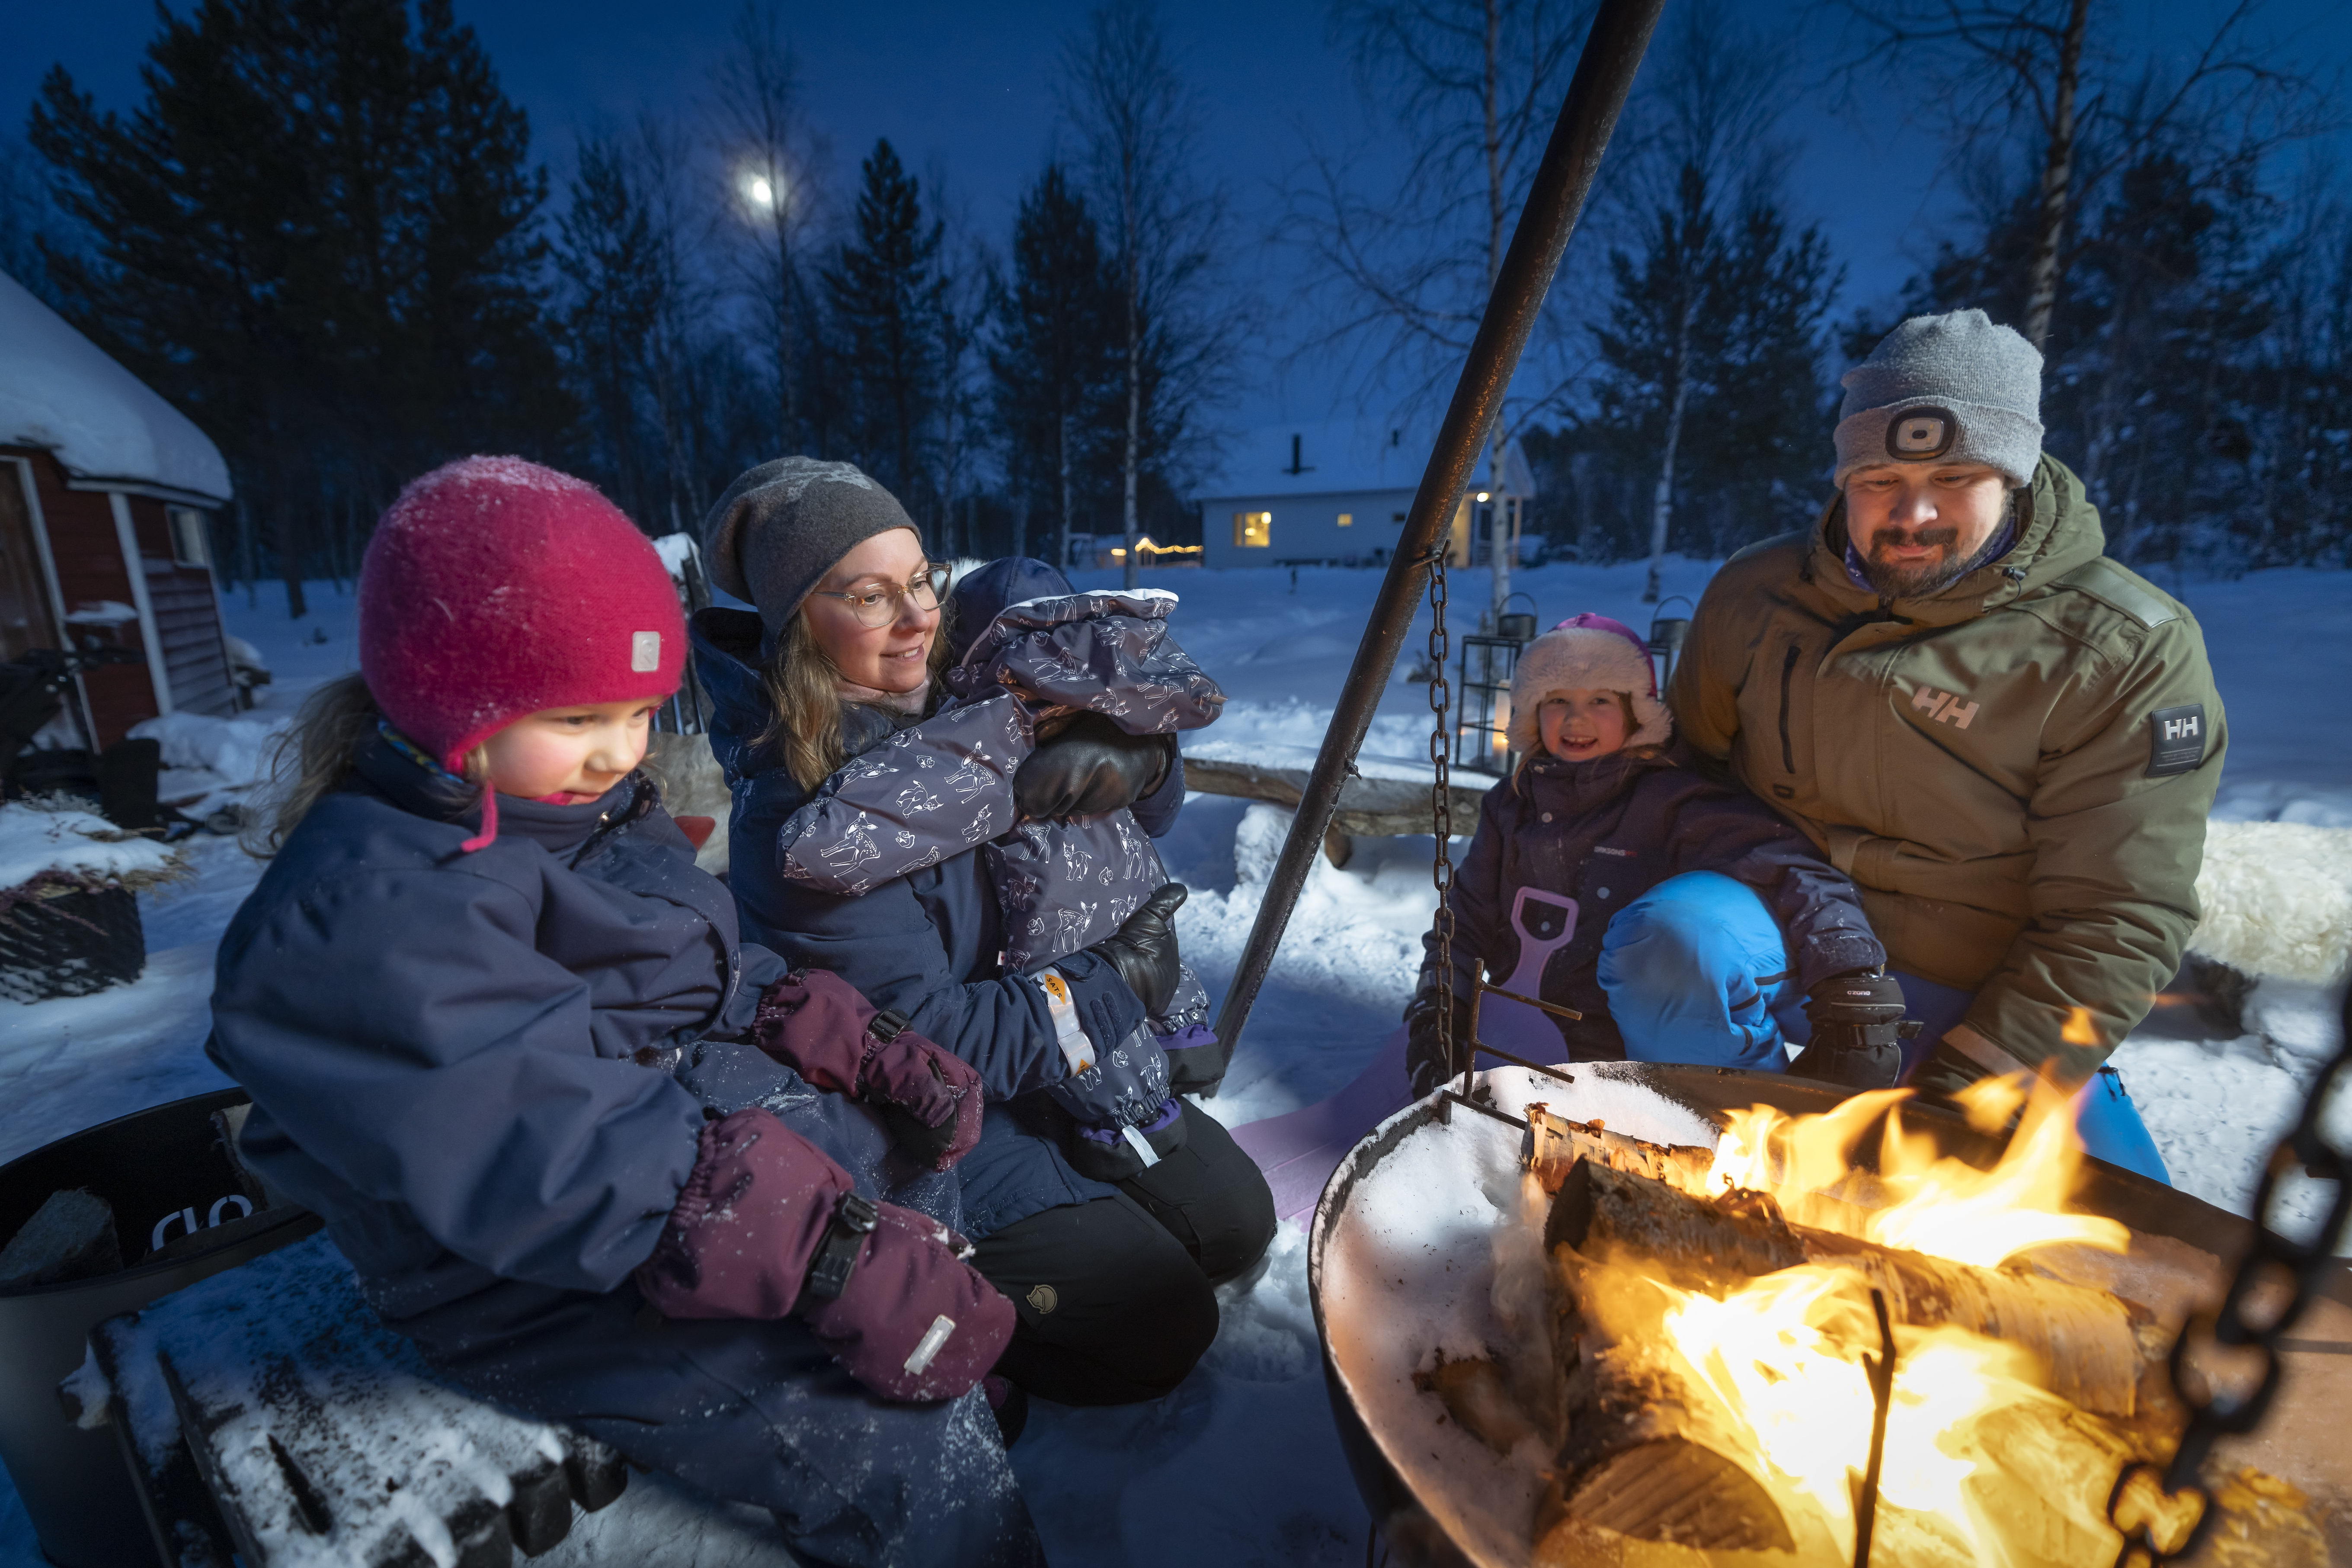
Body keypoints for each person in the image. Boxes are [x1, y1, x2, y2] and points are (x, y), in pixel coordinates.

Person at [206, 457, 1041, 1568]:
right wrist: (836, 1261)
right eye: (582, 715)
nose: (620, 750)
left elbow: (686, 963)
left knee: (896, 1145)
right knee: (883, 1439)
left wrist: (840, 1033)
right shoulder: (361, 921)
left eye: (645, 712)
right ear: (448, 697)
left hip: (664, 1141)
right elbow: (559, 1153)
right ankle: (939, 1493)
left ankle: (939, 1360)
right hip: (535, 1269)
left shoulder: (569, 802)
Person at [691, 460, 1275, 1411]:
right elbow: (926, 1040)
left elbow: (1147, 814)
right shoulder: (805, 819)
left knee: (1235, 1229)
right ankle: (929, 1316)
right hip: (929, 1127)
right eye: (869, 596)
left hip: (1054, 1068)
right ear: (798, 622)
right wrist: (1114, 983)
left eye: (920, 579)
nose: (918, 615)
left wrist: (1141, 754)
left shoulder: (968, 691)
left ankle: (1089, 1200)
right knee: (1160, 1325)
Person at [1670, 309, 2225, 1183]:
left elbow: (2116, 914)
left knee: (2100, 1248)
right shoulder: (1754, 593)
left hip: (1978, 987)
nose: (1911, 511)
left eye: (1955, 475)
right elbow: (1684, 780)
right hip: (1785, 944)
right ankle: (1722, 1150)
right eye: (1878, 476)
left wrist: (1967, 1088)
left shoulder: (2122, 648)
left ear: (2015, 474)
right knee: (1672, 938)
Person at [1405, 612, 1894, 1097]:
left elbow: (1789, 867)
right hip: (1524, 1043)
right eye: (1557, 701)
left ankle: (1743, 1105)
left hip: (1636, 1050)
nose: (1576, 720)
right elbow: (1464, 921)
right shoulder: (1511, 804)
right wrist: (1439, 1004)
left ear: (1637, 710)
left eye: (1600, 700)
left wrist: (1848, 978)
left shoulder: (1673, 800)